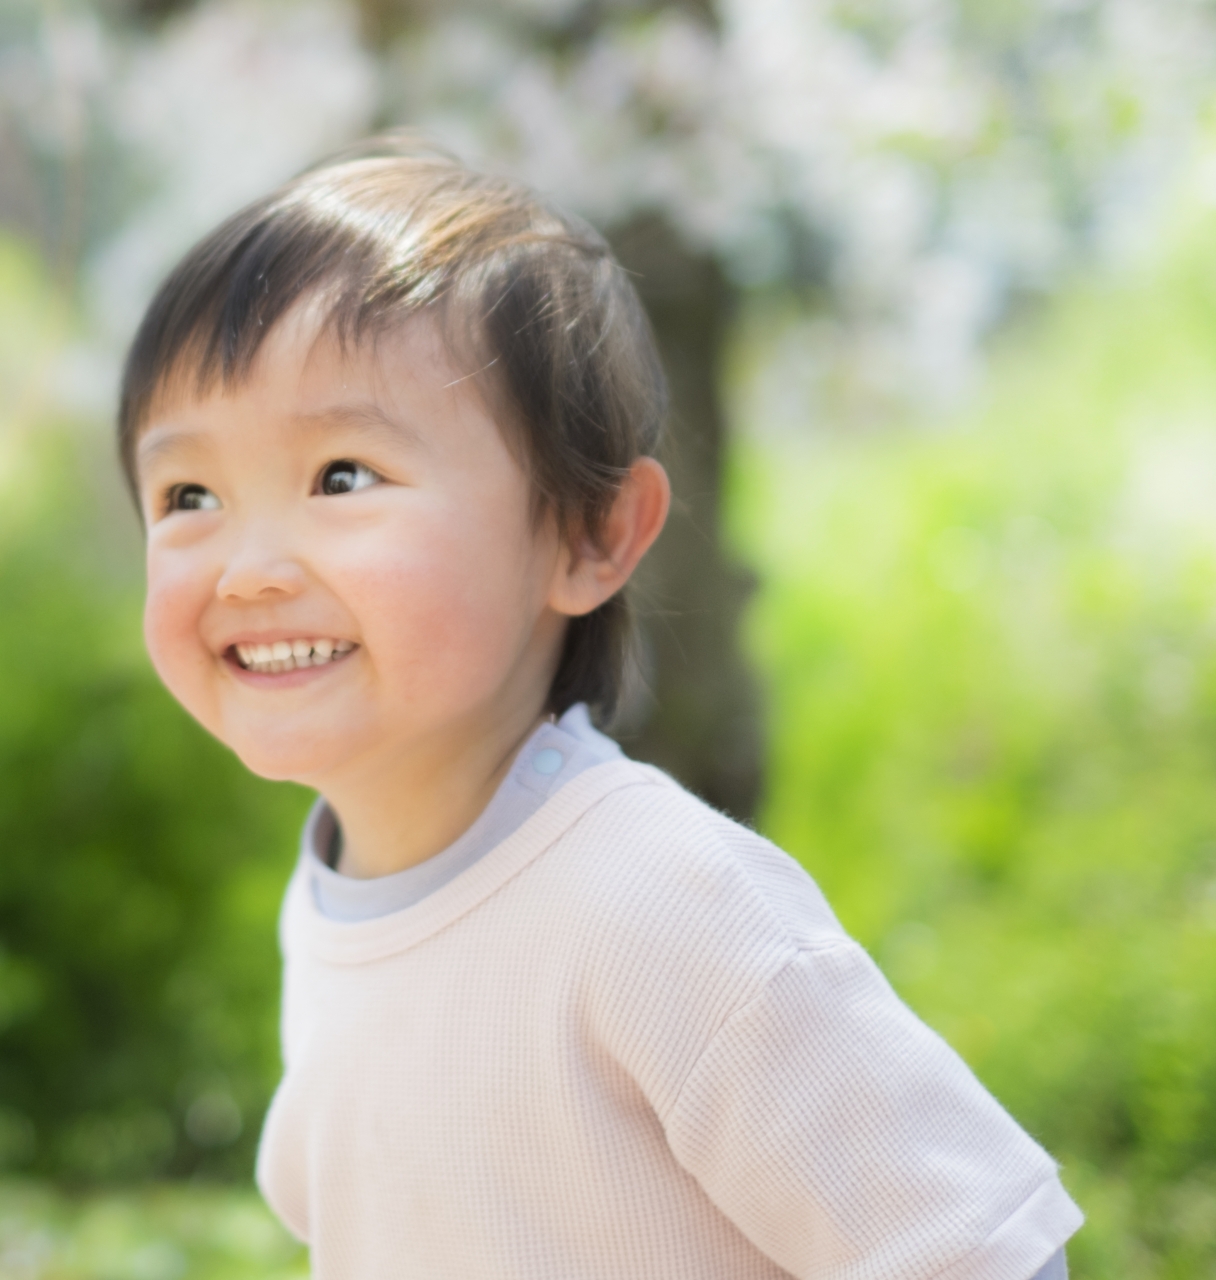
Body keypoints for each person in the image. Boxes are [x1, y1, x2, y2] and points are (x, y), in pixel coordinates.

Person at [116, 140, 1082, 1279]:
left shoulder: (657, 898)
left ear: (590, 535)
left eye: (341, 475)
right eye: (189, 495)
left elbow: (970, 1247)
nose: (251, 566)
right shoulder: (335, 899)